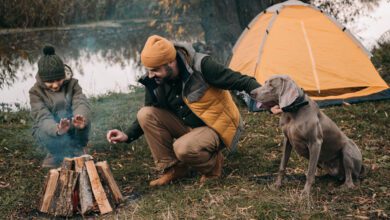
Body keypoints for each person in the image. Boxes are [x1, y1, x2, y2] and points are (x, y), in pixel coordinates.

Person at [106, 35, 261, 186]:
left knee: (183, 148)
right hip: (189, 127)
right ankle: (175, 169)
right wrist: (127, 135)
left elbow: (241, 81)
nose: (150, 74)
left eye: (154, 69)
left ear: (170, 62)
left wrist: (267, 99)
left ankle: (213, 166)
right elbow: (150, 111)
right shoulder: (155, 79)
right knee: (145, 114)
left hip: (216, 126)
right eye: (148, 70)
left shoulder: (202, 65)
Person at [29, 45, 91, 168]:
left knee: (84, 121)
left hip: (71, 123)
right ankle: (55, 153)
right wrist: (56, 129)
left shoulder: (73, 84)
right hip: (51, 127)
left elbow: (80, 102)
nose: (55, 85)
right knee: (44, 131)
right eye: (50, 82)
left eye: (59, 79)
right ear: (42, 79)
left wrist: (81, 117)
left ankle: (78, 149)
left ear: (63, 75)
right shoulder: (35, 92)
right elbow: (42, 116)